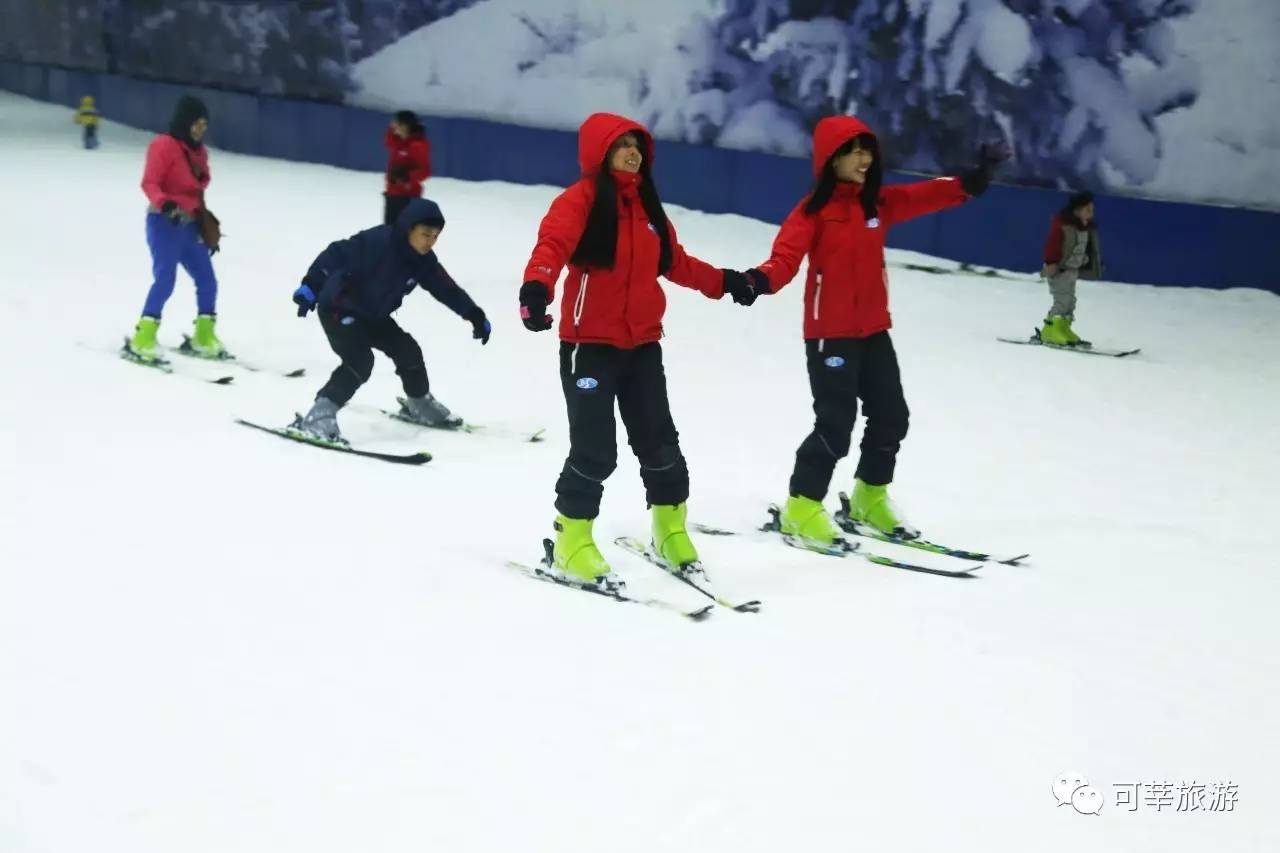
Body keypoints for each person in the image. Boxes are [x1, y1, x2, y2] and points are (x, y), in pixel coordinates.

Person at [727, 115, 1005, 546]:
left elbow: (926, 194)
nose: (864, 158)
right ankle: (802, 505)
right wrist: (756, 281)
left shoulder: (877, 204)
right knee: (835, 424)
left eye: (867, 149)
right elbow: (783, 260)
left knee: (892, 416)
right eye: (853, 150)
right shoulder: (812, 212)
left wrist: (971, 181)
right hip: (830, 334)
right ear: (831, 158)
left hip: (873, 330)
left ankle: (869, 496)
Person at [519, 112, 758, 588]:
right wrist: (535, 290)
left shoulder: (648, 208)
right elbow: (552, 247)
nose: (632, 152)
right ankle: (571, 542)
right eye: (621, 144)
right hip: (589, 345)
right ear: (599, 152)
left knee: (659, 443)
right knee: (595, 450)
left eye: (637, 144)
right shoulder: (580, 201)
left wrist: (726, 282)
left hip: (643, 343)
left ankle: (669, 532)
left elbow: (676, 263)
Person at [291, 198, 490, 443]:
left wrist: (473, 314)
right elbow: (335, 254)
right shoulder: (377, 243)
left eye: (435, 236)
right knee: (360, 361)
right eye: (425, 234)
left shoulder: (423, 261)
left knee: (407, 350)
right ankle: (319, 415)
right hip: (338, 309)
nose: (430, 242)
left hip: (373, 315)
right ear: (409, 229)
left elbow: (445, 288)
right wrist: (310, 286)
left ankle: (419, 402)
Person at [126, 95, 225, 363]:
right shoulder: (163, 146)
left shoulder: (200, 153)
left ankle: (204, 336)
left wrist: (206, 229)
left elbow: (197, 189)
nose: (200, 129)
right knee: (165, 280)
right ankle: (143, 336)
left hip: (191, 226)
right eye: (196, 124)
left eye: (204, 125)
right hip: (163, 223)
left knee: (207, 280)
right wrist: (165, 203)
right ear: (184, 121)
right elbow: (149, 183)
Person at [1039, 192, 1102, 346]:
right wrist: (1051, 263)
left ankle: (1063, 328)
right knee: (1062, 300)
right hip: (1059, 269)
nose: (1091, 213)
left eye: (1092, 209)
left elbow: (1085, 249)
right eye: (1087, 210)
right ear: (1076, 211)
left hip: (1072, 270)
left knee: (1070, 302)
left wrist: (1088, 261)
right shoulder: (1063, 226)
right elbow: (1052, 246)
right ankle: (1049, 331)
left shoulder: (1085, 228)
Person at [384, 110, 431, 225]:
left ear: (405, 126)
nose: (393, 125)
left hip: (408, 198)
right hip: (392, 195)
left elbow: (425, 171)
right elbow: (388, 141)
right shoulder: (398, 142)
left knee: (404, 235)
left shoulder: (418, 145)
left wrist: (406, 175)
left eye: (396, 123)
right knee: (388, 234)